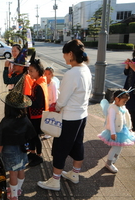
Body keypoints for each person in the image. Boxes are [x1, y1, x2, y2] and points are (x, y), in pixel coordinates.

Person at [37, 39, 92, 191]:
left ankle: (55, 181)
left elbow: (62, 100)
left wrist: (56, 106)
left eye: (64, 54)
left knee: (60, 148)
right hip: (82, 115)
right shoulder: (85, 69)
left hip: (69, 117)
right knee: (77, 144)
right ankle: (75, 174)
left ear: (70, 54)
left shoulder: (72, 73)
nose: (64, 57)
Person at [0, 75, 35, 200]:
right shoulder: (25, 119)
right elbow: (31, 134)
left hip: (10, 152)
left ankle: (14, 195)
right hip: (22, 150)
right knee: (21, 169)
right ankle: (18, 189)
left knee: (12, 173)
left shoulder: (6, 121)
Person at [98, 89, 135, 173]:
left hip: (122, 130)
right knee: (115, 147)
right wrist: (113, 133)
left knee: (120, 147)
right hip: (116, 131)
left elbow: (125, 118)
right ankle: (109, 163)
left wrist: (129, 127)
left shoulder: (121, 106)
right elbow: (111, 121)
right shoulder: (113, 109)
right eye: (124, 101)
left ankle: (113, 160)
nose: (125, 103)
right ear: (117, 99)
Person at [26, 57, 49, 167]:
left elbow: (38, 103)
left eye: (31, 71)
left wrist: (27, 100)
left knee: (36, 136)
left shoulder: (39, 85)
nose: (29, 73)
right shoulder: (38, 81)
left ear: (38, 71)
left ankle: (39, 156)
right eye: (29, 71)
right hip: (34, 114)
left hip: (37, 115)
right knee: (31, 135)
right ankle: (32, 152)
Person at [123, 39, 135, 132]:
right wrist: (127, 66)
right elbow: (126, 73)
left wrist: (134, 68)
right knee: (131, 109)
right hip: (131, 88)